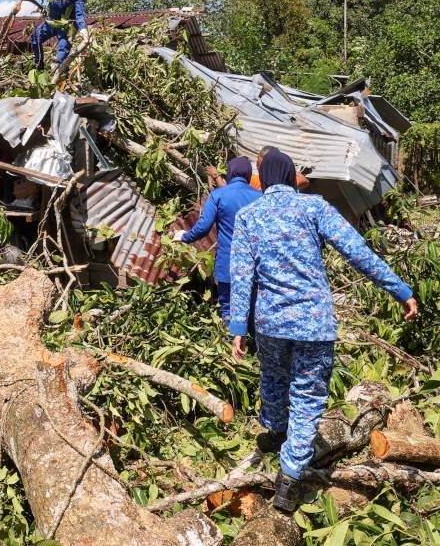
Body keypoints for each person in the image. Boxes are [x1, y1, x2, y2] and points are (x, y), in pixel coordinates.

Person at [228, 149, 418, 513]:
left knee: (273, 378)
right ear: (288, 176)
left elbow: (241, 275)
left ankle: (278, 434)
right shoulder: (313, 208)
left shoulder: (249, 216)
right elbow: (357, 252)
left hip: (270, 323)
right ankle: (290, 474)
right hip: (313, 323)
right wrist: (400, 290)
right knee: (307, 394)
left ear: (264, 178)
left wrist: (238, 325)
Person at [177, 156, 262, 333]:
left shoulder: (218, 195)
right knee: (253, 307)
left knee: (228, 306)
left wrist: (184, 236)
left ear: (230, 173)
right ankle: (254, 348)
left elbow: (203, 227)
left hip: (228, 263)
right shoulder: (260, 197)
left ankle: (234, 347)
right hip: (254, 264)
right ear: (248, 175)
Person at [11, 0, 90, 69]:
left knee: (63, 48)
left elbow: (79, 12)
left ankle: (58, 69)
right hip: (51, 21)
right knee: (35, 37)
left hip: (64, 25)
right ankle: (39, 65)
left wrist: (82, 28)